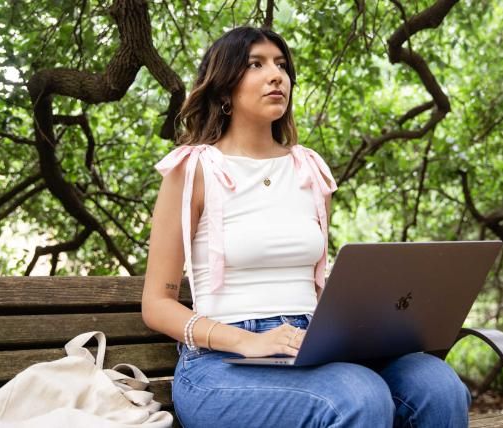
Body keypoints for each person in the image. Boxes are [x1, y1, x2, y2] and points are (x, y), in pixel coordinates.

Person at [142, 26, 471, 428]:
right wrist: (248, 341)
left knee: (438, 386)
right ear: (224, 88)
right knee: (357, 397)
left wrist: (371, 321)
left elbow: (317, 286)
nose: (276, 75)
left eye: (281, 65)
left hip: (311, 345)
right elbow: (157, 305)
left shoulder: (308, 169)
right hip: (220, 364)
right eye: (255, 65)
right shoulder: (193, 170)